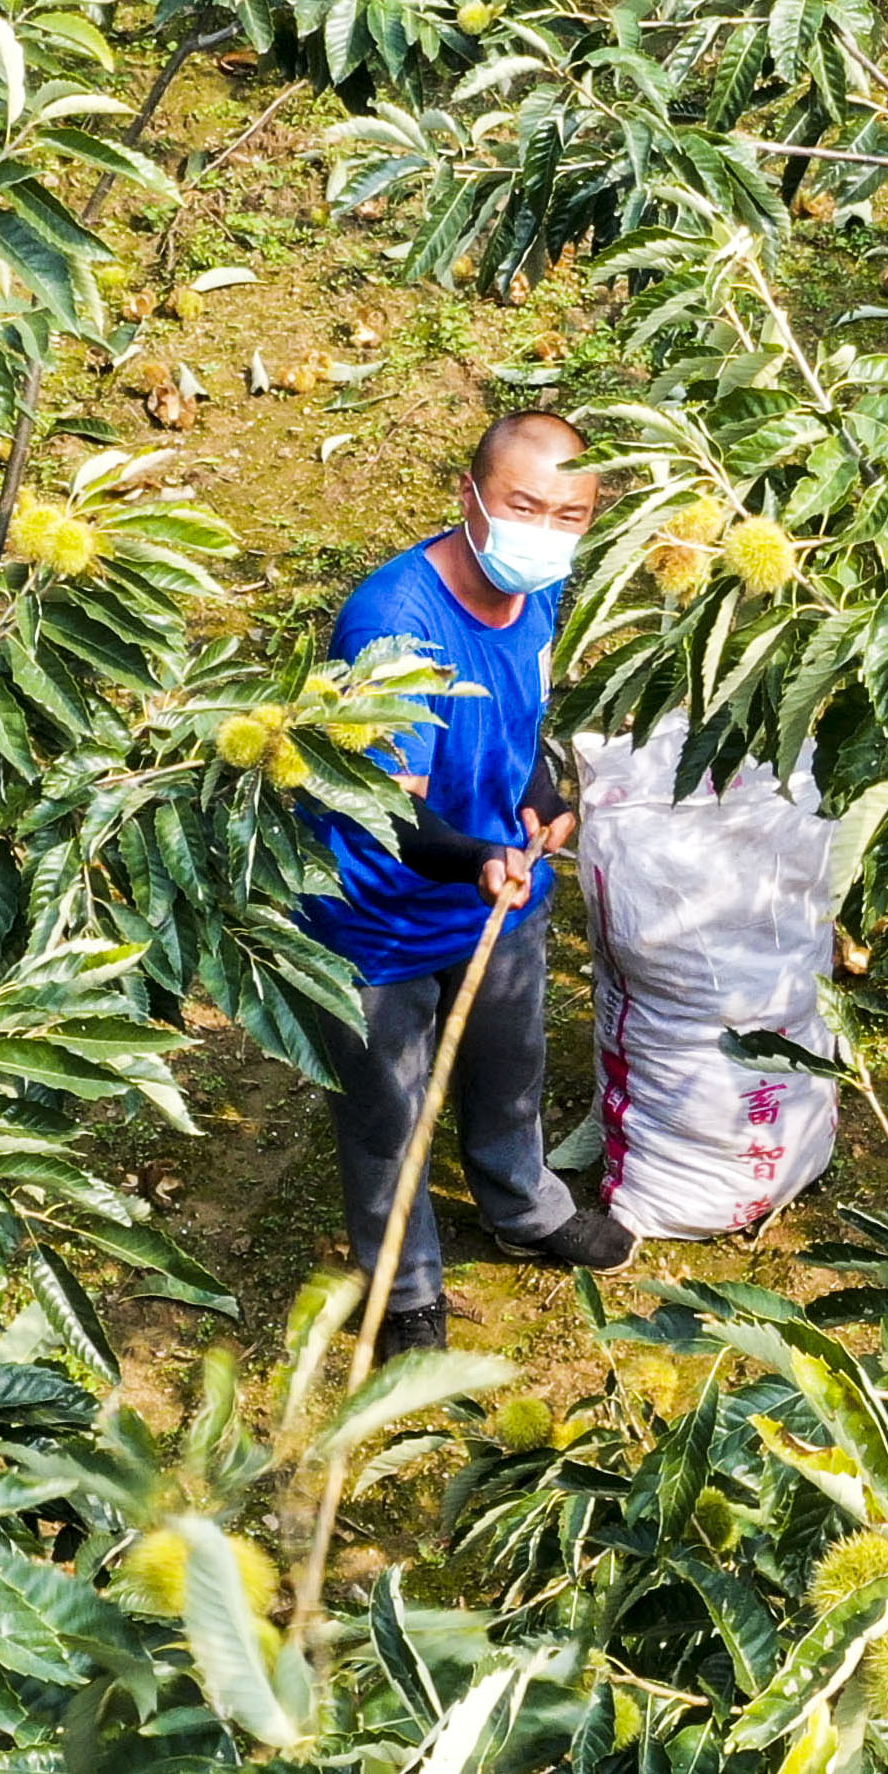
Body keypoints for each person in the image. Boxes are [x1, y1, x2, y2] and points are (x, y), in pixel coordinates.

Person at [296, 411, 637, 1361]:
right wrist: (478, 857)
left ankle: (523, 1205)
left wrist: (538, 796)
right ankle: (403, 1286)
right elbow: (386, 808)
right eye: (524, 505)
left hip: (494, 892)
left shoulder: (542, 591)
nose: (545, 529)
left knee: (508, 1074)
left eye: (568, 514)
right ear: (471, 496)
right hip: (376, 914)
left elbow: (521, 713)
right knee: (385, 1112)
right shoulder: (392, 623)